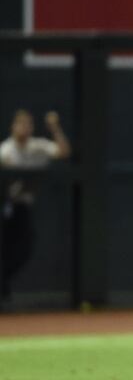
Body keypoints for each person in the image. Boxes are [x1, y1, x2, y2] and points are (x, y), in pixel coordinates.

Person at [0, 109, 71, 299]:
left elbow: (63, 151)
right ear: (12, 127)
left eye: (28, 124)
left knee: (25, 248)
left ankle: (3, 281)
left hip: (23, 208)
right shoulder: (6, 149)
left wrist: (54, 128)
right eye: (20, 124)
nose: (25, 128)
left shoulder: (36, 147)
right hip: (6, 206)